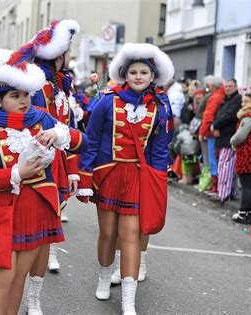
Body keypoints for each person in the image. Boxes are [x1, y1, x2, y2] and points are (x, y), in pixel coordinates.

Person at [0, 61, 88, 315]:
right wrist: (17, 173)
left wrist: (59, 135)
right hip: (1, 211)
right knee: (1, 279)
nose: (24, 101)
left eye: (26, 95)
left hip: (35, 208)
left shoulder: (42, 118)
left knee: (19, 278)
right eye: (15, 96)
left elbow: (81, 141)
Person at [77, 43, 174, 315]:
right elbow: (92, 141)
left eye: (144, 72)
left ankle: (129, 300)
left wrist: (158, 184)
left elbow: (159, 150)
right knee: (108, 234)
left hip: (137, 178)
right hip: (108, 174)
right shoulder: (107, 100)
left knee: (130, 235)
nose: (139, 77)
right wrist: (85, 178)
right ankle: (104, 276)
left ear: (153, 76)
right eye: (133, 72)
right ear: (125, 74)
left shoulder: (159, 108)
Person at [6, 20, 81, 313]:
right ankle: (5, 277)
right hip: (30, 160)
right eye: (68, 48)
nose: (70, 54)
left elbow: (70, 127)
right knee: (20, 228)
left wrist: (73, 168)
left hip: (58, 161)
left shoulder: (62, 83)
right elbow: (18, 121)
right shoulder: (35, 82)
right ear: (57, 52)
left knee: (46, 234)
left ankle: (33, 298)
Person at [230, 92, 251, 224]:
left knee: (246, 186)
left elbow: (239, 136)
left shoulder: (249, 116)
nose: (243, 104)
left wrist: (232, 141)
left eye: (246, 102)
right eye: (242, 101)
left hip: (248, 154)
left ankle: (243, 213)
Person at [212, 79, 242, 203]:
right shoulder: (227, 99)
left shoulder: (237, 99)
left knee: (225, 165)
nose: (228, 88)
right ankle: (230, 193)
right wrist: (215, 125)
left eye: (230, 86)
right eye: (226, 86)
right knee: (228, 166)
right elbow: (218, 114)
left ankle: (223, 194)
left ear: (236, 86)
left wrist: (216, 125)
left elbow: (229, 116)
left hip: (229, 137)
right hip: (224, 136)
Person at [199, 76, 225, 193]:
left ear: (212, 85)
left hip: (211, 133)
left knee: (212, 159)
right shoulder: (222, 95)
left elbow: (208, 116)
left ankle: (215, 184)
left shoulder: (215, 97)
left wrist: (202, 132)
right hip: (218, 132)